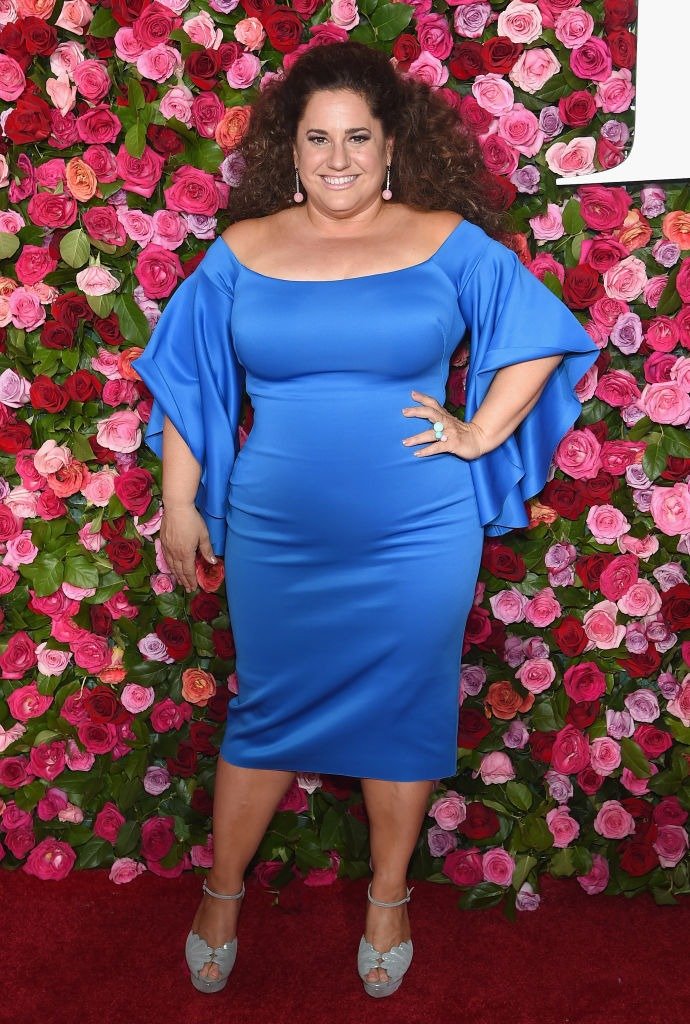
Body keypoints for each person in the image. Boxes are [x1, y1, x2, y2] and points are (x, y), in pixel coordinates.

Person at [133, 41, 599, 1000]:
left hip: (418, 527)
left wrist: (479, 433)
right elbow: (192, 384)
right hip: (277, 528)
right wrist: (180, 501)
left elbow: (541, 338)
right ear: (290, 149)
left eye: (357, 137)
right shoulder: (241, 251)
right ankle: (222, 891)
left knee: (405, 701)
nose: (337, 158)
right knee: (265, 705)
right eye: (317, 139)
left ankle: (389, 895)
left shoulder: (446, 241)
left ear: (392, 148)